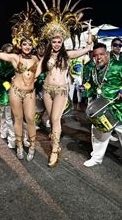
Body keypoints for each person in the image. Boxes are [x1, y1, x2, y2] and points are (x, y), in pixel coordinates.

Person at [0, 9, 40, 161]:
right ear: (20, 45)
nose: (27, 46)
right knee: (17, 118)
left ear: (32, 45)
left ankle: (33, 146)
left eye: (29, 44)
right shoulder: (15, 58)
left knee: (30, 119)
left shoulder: (36, 59)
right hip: (15, 91)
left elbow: (41, 71)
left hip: (29, 93)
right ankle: (20, 145)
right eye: (25, 44)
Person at [82, 43, 122, 176]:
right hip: (103, 108)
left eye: (101, 55)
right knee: (98, 133)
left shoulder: (118, 66)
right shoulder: (94, 69)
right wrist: (85, 88)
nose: (99, 58)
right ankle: (96, 158)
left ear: (107, 54)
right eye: (96, 55)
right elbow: (92, 85)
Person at [38, 20, 92, 167]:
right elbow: (36, 72)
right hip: (47, 90)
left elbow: (88, 48)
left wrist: (88, 31)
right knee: (51, 118)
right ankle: (55, 141)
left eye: (59, 42)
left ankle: (54, 149)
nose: (56, 44)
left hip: (61, 90)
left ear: (62, 42)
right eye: (54, 41)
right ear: (50, 42)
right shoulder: (46, 57)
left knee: (55, 119)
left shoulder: (67, 55)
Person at [0, 43, 16, 148]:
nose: (9, 54)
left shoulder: (14, 62)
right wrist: (6, 84)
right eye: (7, 52)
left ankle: (12, 139)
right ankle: (3, 132)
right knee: (3, 114)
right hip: (3, 92)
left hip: (13, 92)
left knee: (9, 117)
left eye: (11, 52)